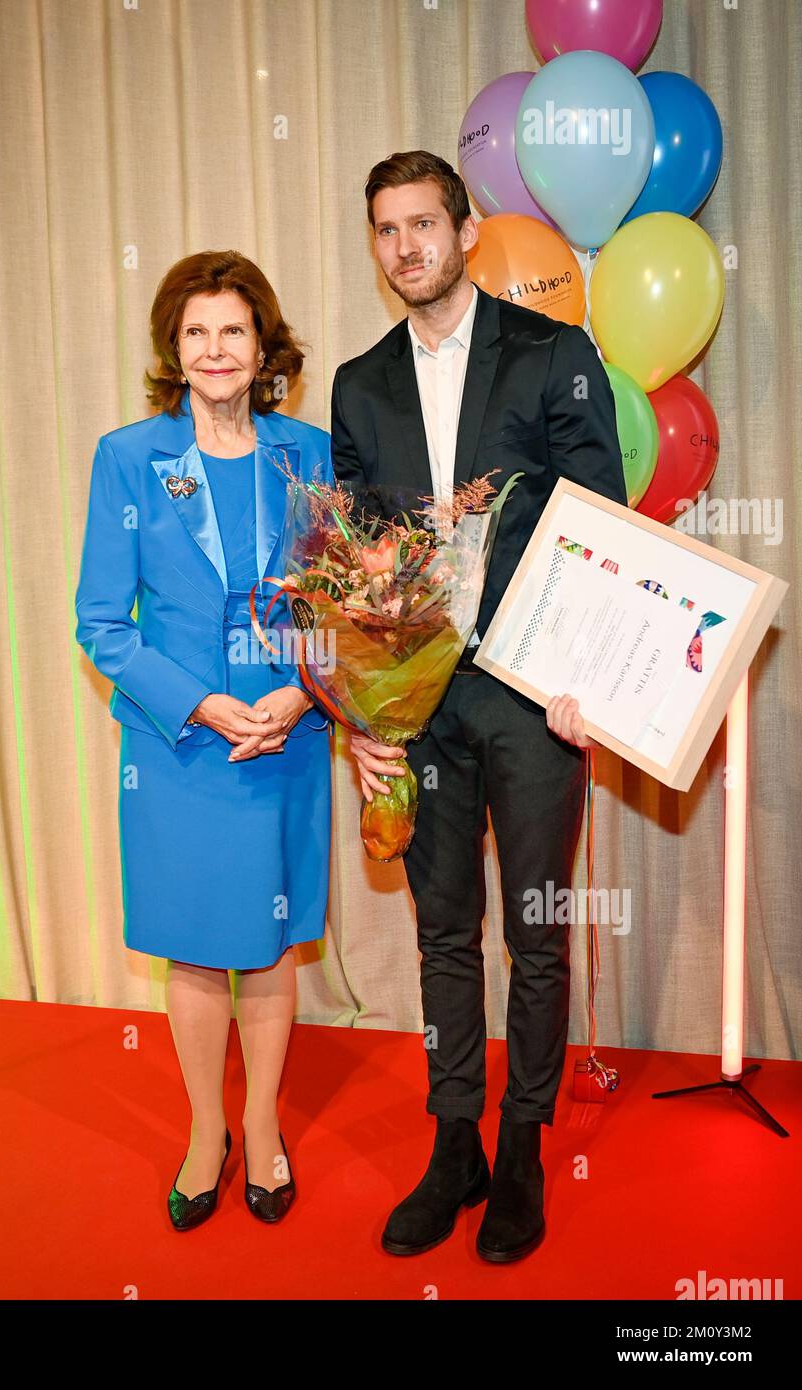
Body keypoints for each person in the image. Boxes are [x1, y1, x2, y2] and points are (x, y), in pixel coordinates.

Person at [331, 151, 626, 1262]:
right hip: (420, 706)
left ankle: (521, 1151)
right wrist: (365, 710)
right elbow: (359, 562)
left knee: (535, 935)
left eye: (423, 224)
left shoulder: (554, 352)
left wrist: (583, 674)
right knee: (443, 933)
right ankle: (453, 1139)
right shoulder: (359, 384)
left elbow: (599, 522)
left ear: (465, 229)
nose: (406, 246)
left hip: (534, 698)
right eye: (385, 231)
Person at [75, 250, 333, 1231]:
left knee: (268, 949)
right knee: (192, 954)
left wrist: (300, 701)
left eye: (233, 330)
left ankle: (261, 1128)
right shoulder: (128, 459)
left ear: (261, 345)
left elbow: (330, 596)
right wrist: (201, 704)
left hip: (284, 740)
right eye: (196, 333)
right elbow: (102, 622)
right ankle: (203, 1133)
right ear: (173, 350)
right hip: (181, 751)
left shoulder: (306, 453)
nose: (216, 349)